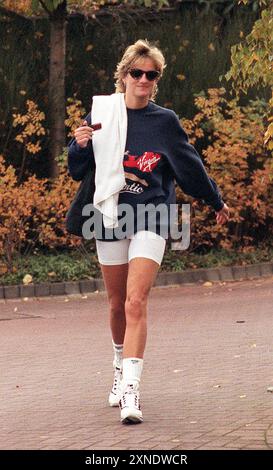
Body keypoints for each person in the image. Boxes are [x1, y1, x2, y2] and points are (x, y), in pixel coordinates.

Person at [67, 39, 229, 425]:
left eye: (150, 74)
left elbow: (190, 167)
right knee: (116, 302)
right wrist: (79, 144)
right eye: (136, 72)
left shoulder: (165, 121)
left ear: (156, 81)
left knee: (136, 300)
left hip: (153, 215)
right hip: (108, 214)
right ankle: (119, 366)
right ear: (123, 76)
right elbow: (77, 170)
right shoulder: (104, 113)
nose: (143, 79)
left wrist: (216, 201)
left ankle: (131, 390)